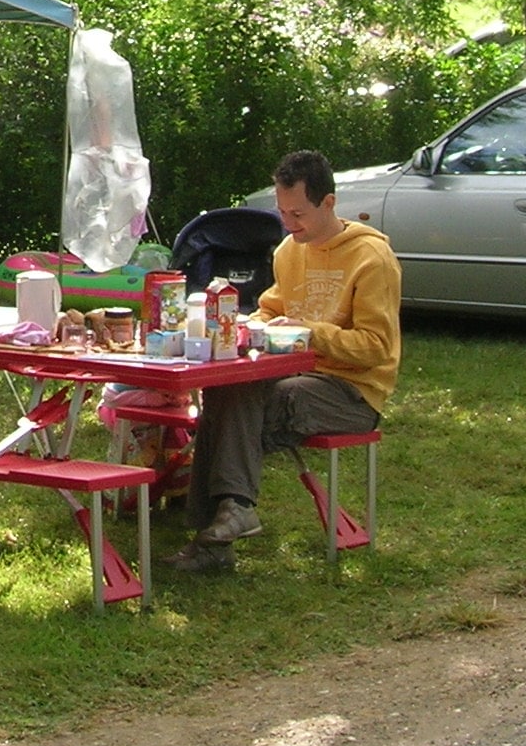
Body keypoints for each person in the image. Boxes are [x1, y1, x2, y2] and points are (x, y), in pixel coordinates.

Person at [165, 147, 401, 573]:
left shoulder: (371, 258)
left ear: (328, 203)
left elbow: (376, 347)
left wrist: (310, 332)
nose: (289, 225)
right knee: (224, 395)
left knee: (254, 407)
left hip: (353, 392)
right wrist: (251, 324)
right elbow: (273, 307)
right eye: (282, 214)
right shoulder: (290, 251)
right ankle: (229, 519)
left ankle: (215, 538)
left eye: (298, 215)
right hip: (297, 372)